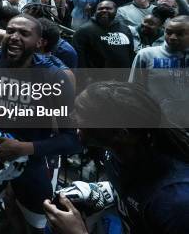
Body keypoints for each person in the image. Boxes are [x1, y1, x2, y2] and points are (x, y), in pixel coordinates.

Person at [0, 15, 80, 233]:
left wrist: (23, 148)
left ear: (39, 43)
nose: (14, 37)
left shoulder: (54, 77)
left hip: (31, 161)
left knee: (39, 224)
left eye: (24, 33)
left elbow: (72, 140)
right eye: (10, 31)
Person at [44, 82, 189, 234]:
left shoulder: (175, 203)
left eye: (84, 115)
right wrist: (105, 191)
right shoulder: (115, 149)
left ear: (122, 134)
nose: (73, 117)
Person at [129, 15, 189, 127]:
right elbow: (135, 90)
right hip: (158, 122)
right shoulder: (146, 55)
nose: (172, 37)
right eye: (168, 32)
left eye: (180, 34)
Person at [73, 1, 134, 69]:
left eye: (108, 8)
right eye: (100, 9)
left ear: (116, 11)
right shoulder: (83, 31)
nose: (104, 10)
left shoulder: (125, 29)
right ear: (95, 12)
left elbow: (130, 52)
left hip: (123, 76)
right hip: (97, 77)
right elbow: (79, 58)